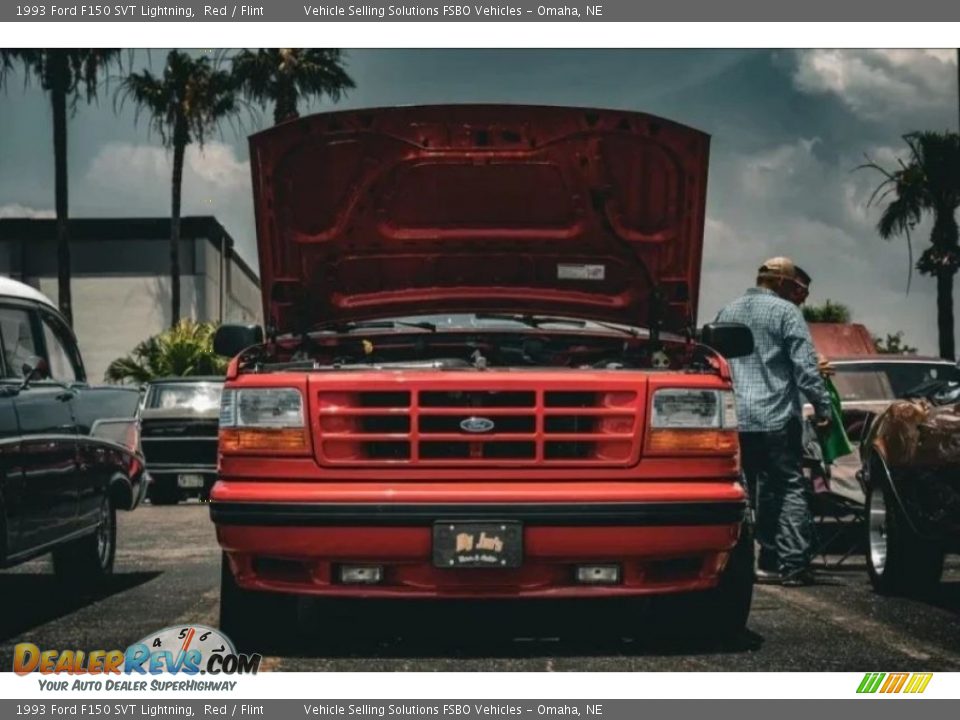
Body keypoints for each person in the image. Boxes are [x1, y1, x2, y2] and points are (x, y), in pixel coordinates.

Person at [716, 257, 832, 586]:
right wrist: (823, 409)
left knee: (745, 493)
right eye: (797, 287)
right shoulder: (786, 313)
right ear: (781, 283)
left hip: (737, 420)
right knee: (789, 488)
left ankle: (749, 563)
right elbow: (806, 370)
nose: (800, 296)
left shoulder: (728, 311)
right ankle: (793, 566)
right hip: (776, 420)